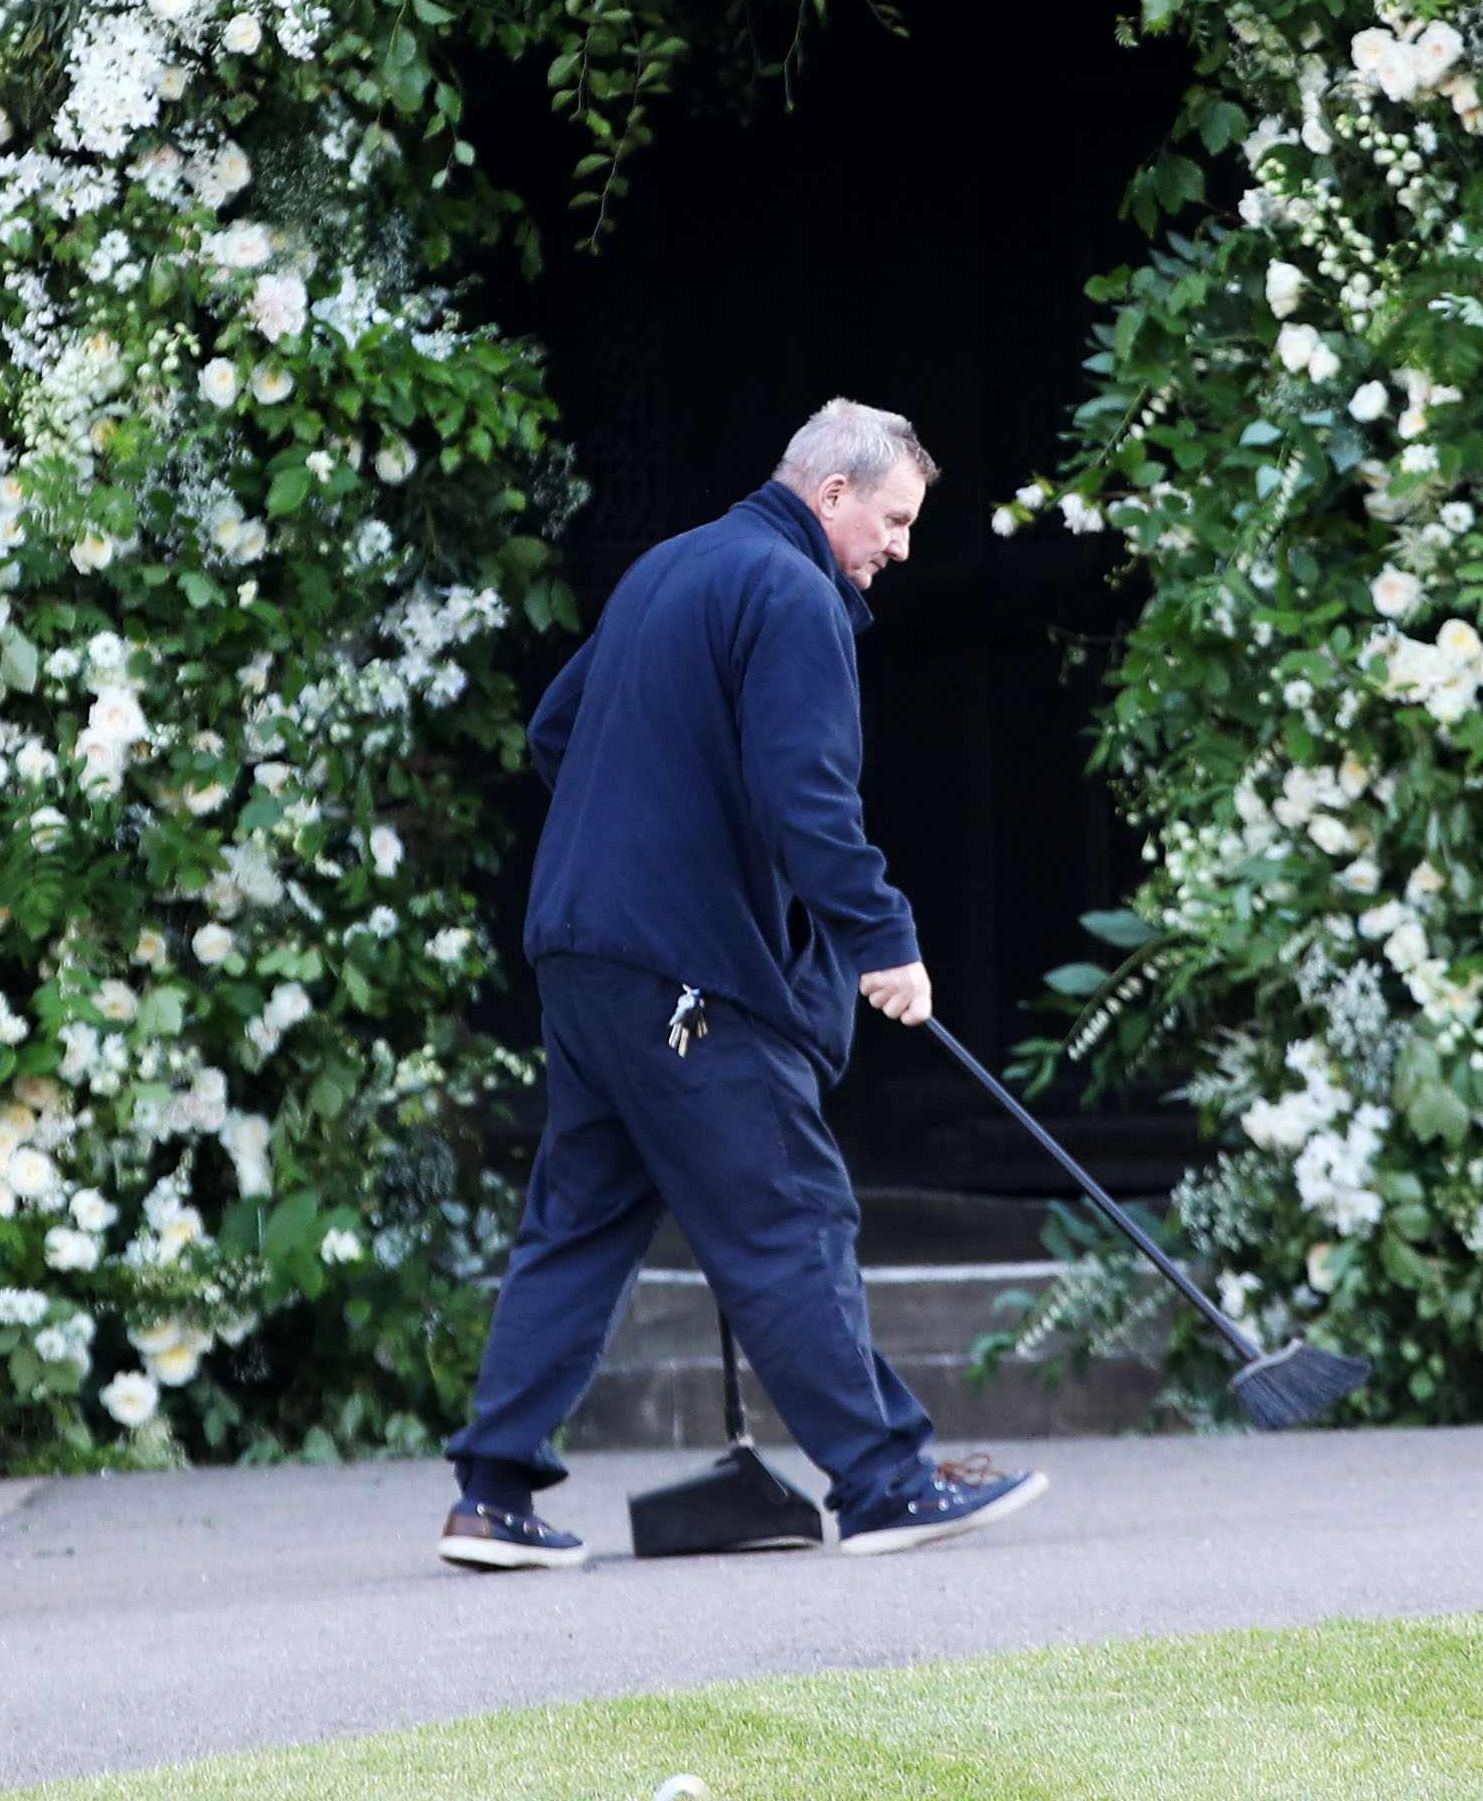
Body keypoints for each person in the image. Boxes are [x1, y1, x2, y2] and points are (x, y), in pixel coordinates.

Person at [437, 400, 1052, 1569]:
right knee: (787, 1212)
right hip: (685, 979)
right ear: (831, 495)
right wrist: (883, 940)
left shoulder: (668, 565)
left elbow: (557, 727)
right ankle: (881, 1480)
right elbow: (807, 796)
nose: (903, 549)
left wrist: (662, 829)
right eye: (895, 518)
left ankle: (492, 1493)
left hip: (581, 952)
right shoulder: (793, 593)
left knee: (579, 1221)